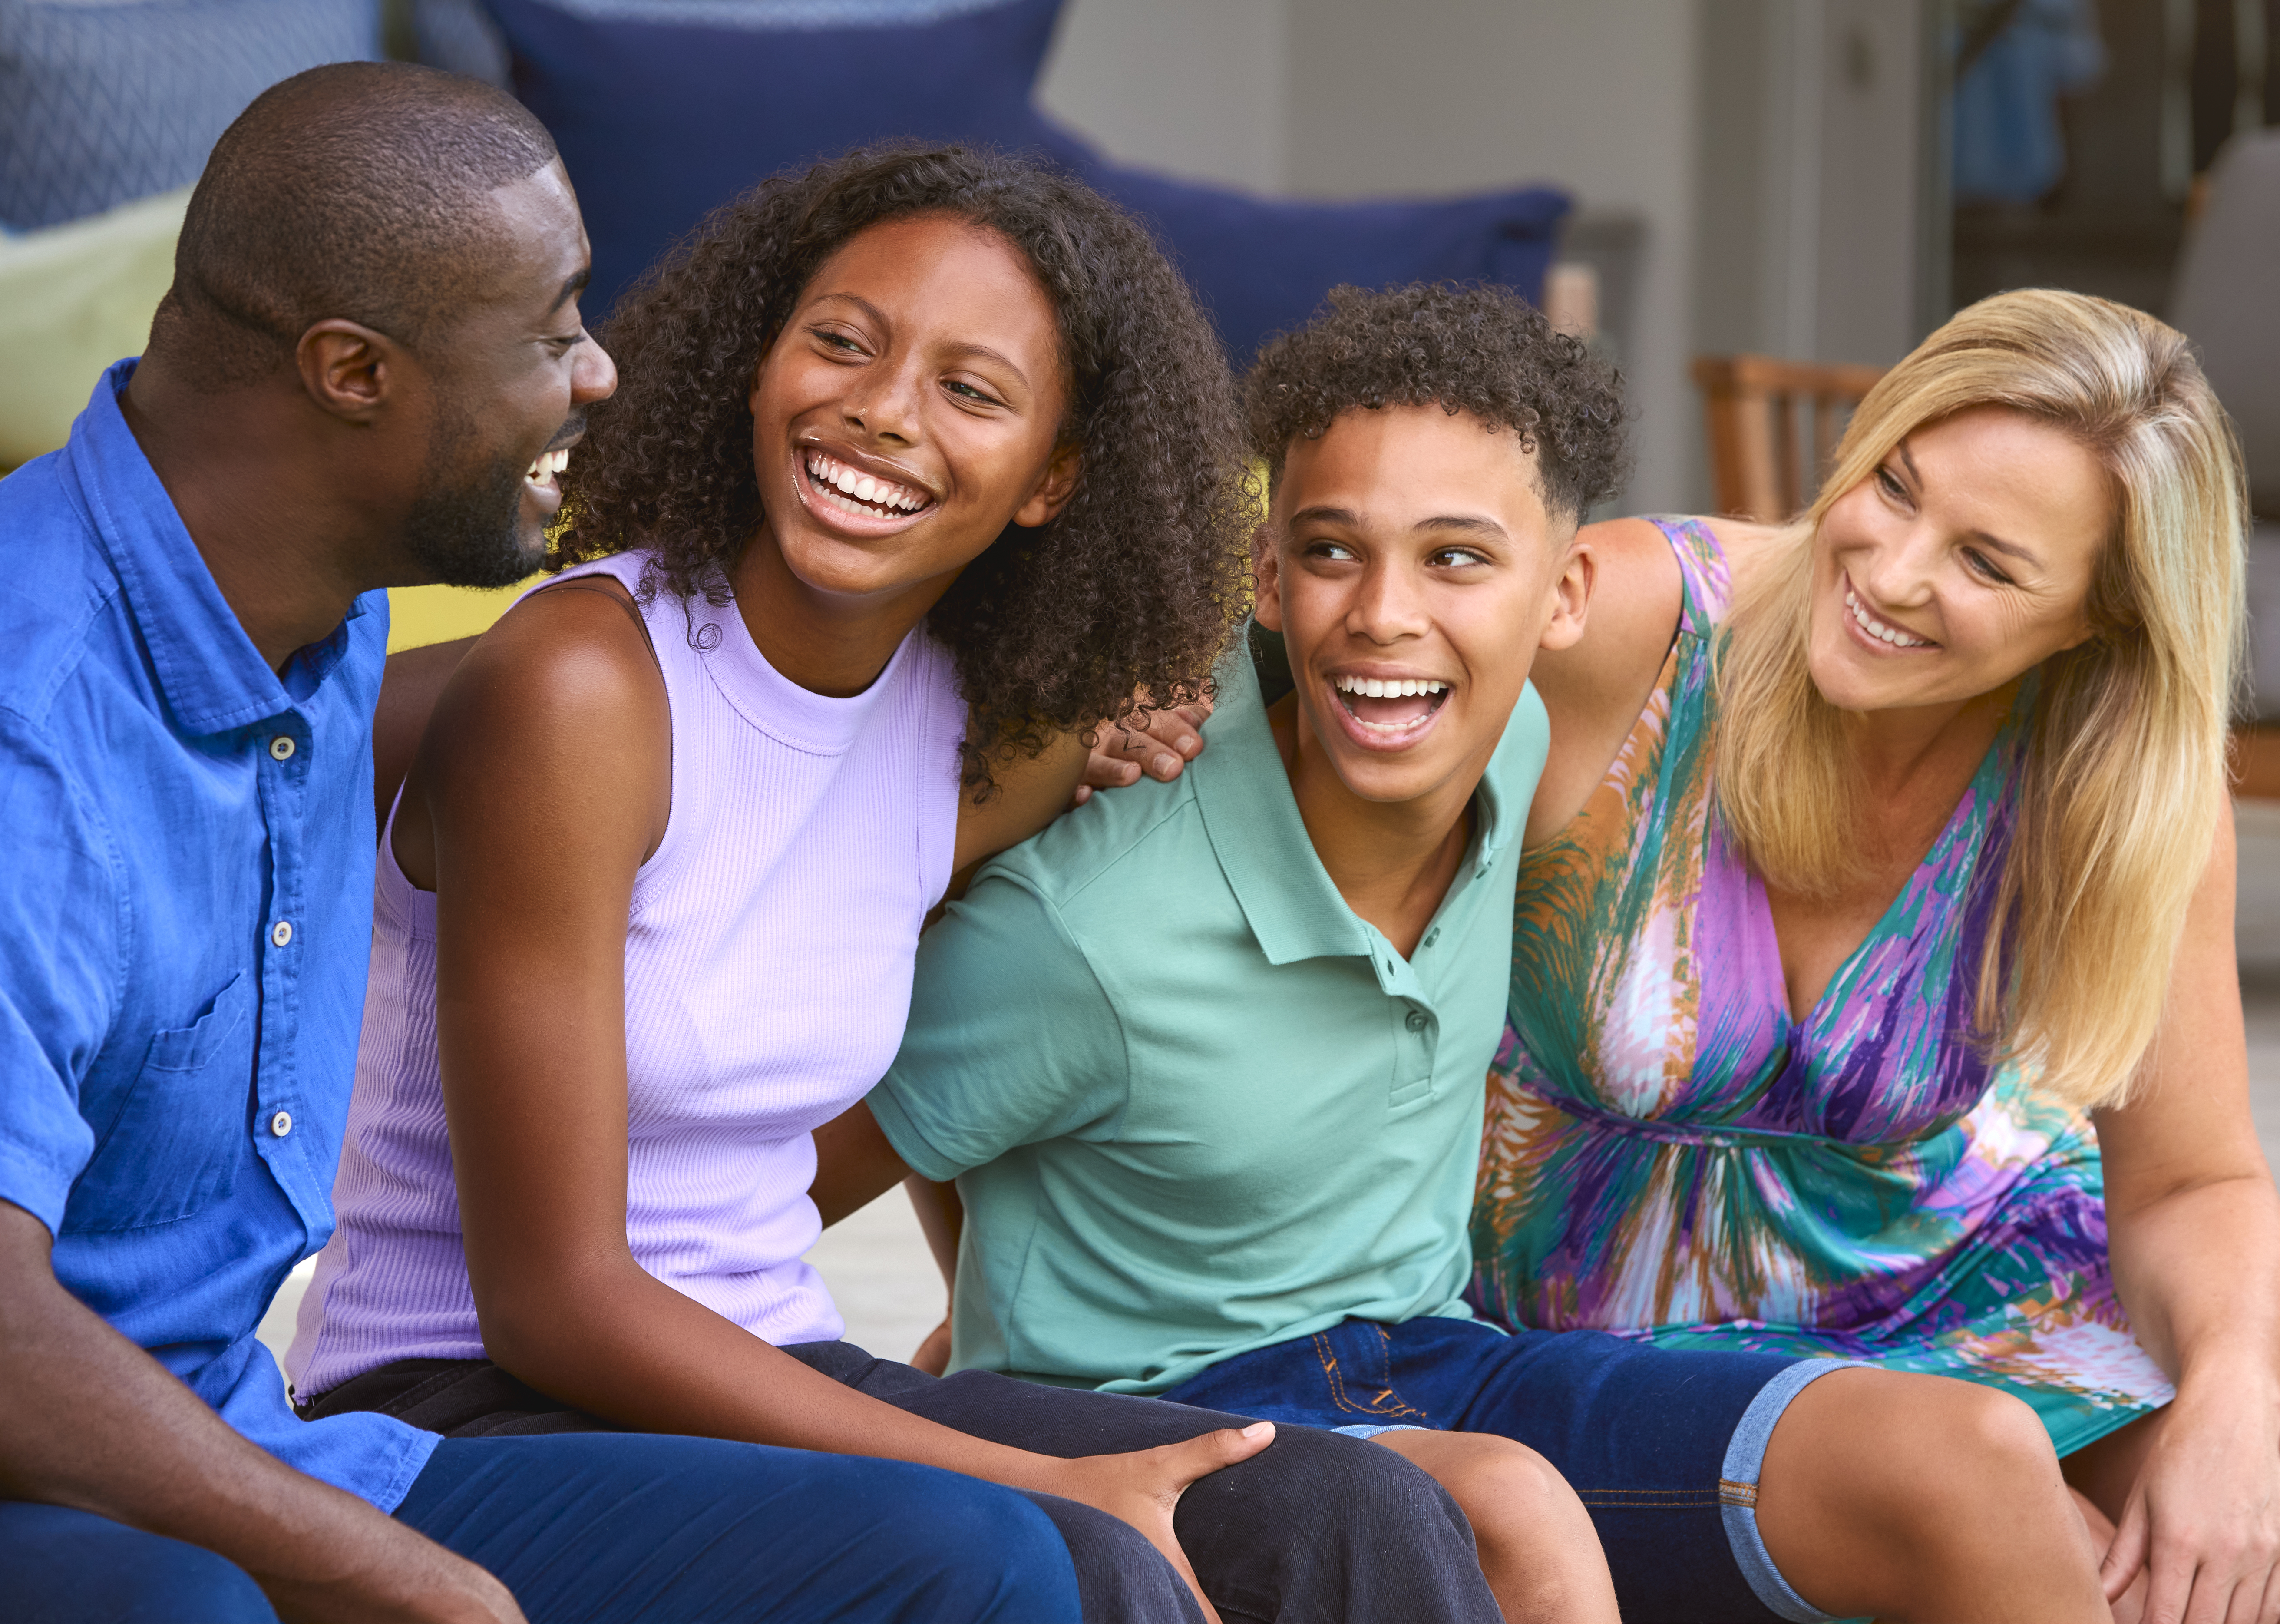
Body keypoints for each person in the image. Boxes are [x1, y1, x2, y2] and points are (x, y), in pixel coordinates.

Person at [288, 147, 1504, 1624]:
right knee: (1047, 1549)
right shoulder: (581, 687)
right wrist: (1022, 1471)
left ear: (1054, 477)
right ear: (756, 367)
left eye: (972, 390)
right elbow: (553, 1296)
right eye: (842, 342)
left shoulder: (968, 731)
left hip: (772, 1359)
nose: (880, 408)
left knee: (1342, 1508)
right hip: (476, 1400)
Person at [842, 283, 2137, 1624]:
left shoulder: (1513, 747)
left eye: (1458, 559)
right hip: (1189, 1409)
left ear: (1564, 597)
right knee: (1513, 1511)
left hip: (1444, 1355)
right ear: (1266, 577)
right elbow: (845, 1146)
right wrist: (992, 1353)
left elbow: (1748, 587)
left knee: (1975, 1460)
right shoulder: (1091, 915)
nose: (1388, 616)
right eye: (1333, 552)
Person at [0, 64, 1093, 1624]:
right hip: (89, 1483)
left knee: (961, 1559)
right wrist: (400, 1577)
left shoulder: (299, 630)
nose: (600, 375)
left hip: (234, 1439)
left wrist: (1071, 733)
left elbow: (679, 743)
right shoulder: (32, 714)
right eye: (553, 329)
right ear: (352, 373)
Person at [1463, 287, 2275, 1623]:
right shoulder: (1627, 625)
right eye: (1893, 487)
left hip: (1972, 1261)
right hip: (1609, 1307)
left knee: (2232, 1546)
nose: (1890, 572)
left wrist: (2239, 1407)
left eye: (1986, 562)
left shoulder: (2121, 784)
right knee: (2046, 1547)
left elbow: (2189, 1177)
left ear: (2096, 621)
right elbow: (1342, 657)